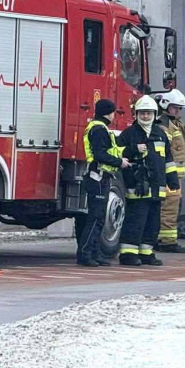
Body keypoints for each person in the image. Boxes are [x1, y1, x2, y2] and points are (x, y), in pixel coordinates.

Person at [117, 95, 169, 266]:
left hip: (156, 188)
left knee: (153, 222)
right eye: (142, 113)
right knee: (135, 221)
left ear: (154, 114)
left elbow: (168, 160)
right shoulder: (129, 133)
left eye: (149, 113)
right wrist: (133, 149)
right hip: (137, 187)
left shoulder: (160, 134)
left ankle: (146, 253)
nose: (146, 116)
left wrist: (173, 181)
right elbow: (116, 152)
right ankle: (128, 254)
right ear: (136, 114)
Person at [79, 99, 129, 267]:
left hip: (100, 177)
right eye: (113, 112)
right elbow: (100, 154)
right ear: (109, 113)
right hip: (98, 178)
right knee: (96, 218)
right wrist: (119, 162)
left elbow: (108, 151)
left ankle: (95, 254)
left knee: (98, 218)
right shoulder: (99, 129)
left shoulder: (98, 127)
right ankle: (85, 254)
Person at [155, 89, 185, 253]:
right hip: (168, 176)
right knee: (168, 209)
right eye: (175, 108)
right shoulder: (164, 126)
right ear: (166, 106)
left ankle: (164, 239)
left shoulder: (175, 124)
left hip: (175, 176)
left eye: (179, 108)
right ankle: (167, 242)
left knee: (171, 208)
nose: (178, 111)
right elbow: (165, 152)